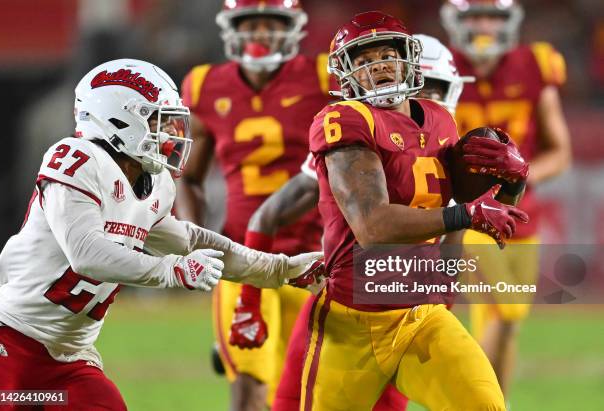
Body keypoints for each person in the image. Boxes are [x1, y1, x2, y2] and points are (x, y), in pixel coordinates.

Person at [0, 58, 323, 411]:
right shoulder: (77, 159)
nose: (172, 135)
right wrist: (172, 270)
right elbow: (86, 253)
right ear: (117, 118)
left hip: (70, 360)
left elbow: (192, 240)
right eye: (157, 121)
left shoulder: (155, 185)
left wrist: (279, 268)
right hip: (9, 340)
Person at [301, 11, 531, 410]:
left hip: (419, 313)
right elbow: (373, 225)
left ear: (408, 59)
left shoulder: (440, 119)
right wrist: (467, 215)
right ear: (346, 73)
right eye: (364, 59)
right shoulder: (344, 120)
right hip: (352, 319)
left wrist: (513, 180)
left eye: (387, 53)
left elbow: (485, 208)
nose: (380, 65)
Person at [242, 33, 474, 411]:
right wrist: (247, 303)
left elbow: (451, 237)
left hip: (409, 314)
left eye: (435, 88)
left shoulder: (446, 138)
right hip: (346, 309)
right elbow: (271, 215)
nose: (422, 97)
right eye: (423, 86)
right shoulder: (354, 135)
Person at [176, 0, 333, 408]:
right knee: (247, 388)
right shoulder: (205, 85)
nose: (260, 34)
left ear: (293, 26)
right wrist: (198, 239)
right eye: (250, 23)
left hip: (316, 258)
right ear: (231, 28)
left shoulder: (323, 76)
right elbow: (187, 177)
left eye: (271, 23)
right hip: (242, 259)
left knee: (308, 394)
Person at [441, 0, 572, 396]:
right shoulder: (439, 69)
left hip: (520, 215)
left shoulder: (534, 65)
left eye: (493, 17)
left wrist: (518, 177)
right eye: (475, 17)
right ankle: (471, 400)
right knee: (505, 306)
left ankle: (498, 401)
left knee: (506, 322)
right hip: (468, 215)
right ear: (456, 21)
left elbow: (560, 152)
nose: (484, 26)